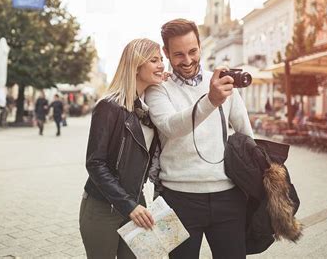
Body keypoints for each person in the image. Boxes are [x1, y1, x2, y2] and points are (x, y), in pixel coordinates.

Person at [146, 19, 253, 259]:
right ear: (166, 53)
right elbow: (170, 126)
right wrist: (211, 101)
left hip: (228, 196)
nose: (187, 60)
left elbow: (246, 134)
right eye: (178, 54)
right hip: (177, 200)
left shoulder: (222, 82)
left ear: (200, 46)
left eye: (193, 51)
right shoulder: (158, 89)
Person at [80, 38, 165, 259]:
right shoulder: (109, 106)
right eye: (154, 60)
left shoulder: (146, 111)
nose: (162, 65)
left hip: (136, 204)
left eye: (162, 60)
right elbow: (95, 163)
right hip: (102, 208)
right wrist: (128, 205)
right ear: (136, 65)